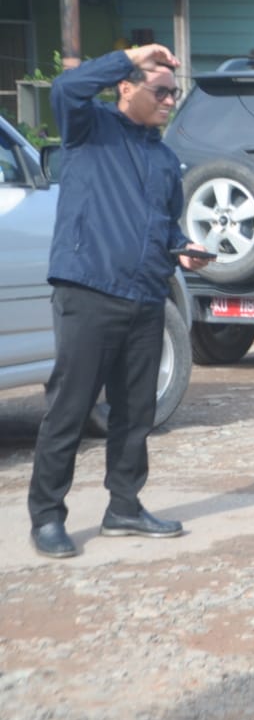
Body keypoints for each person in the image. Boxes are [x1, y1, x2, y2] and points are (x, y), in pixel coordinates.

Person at [27, 44, 210, 560]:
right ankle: (47, 517)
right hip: (89, 292)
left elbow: (163, 226)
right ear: (125, 88)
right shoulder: (88, 130)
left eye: (175, 92)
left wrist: (184, 251)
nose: (170, 100)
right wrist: (130, 53)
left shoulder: (164, 158)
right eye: (160, 90)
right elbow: (65, 87)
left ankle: (124, 506)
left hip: (147, 298)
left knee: (135, 412)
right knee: (71, 405)